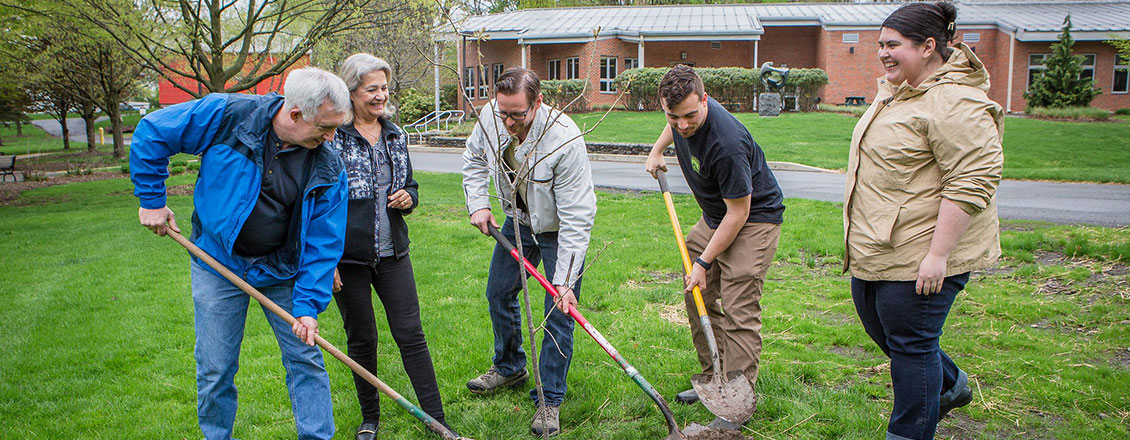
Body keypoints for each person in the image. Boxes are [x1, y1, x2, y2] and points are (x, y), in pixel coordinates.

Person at [130, 67, 351, 440]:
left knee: (306, 358)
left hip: (282, 270)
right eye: (325, 128)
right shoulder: (227, 115)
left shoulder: (327, 165)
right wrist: (152, 200)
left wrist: (308, 307)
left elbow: (322, 242)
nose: (331, 137)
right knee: (216, 368)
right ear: (295, 114)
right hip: (218, 263)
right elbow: (153, 131)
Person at [843, 3, 1004, 439]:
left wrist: (939, 255)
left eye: (893, 45)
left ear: (929, 46)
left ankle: (909, 432)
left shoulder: (955, 101)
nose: (882, 53)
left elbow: (973, 179)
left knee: (911, 348)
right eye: (880, 44)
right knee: (883, 328)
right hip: (883, 243)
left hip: (925, 249)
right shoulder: (899, 89)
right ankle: (950, 385)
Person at [644, 65, 785, 430]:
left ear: (705, 100)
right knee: (696, 294)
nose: (683, 125)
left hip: (754, 219)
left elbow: (739, 214)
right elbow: (675, 126)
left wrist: (705, 262)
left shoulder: (727, 143)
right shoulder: (680, 117)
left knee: (739, 307)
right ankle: (715, 377)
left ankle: (736, 403)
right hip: (714, 216)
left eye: (690, 116)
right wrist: (659, 148)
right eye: (673, 117)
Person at [461, 67, 597, 437]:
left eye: (517, 114)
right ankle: (509, 367)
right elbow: (473, 159)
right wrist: (478, 203)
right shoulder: (491, 117)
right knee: (499, 292)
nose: (507, 122)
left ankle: (550, 399)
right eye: (502, 111)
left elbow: (577, 215)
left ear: (537, 103)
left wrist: (566, 280)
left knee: (558, 310)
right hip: (518, 220)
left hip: (556, 230)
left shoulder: (563, 139)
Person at [330, 53, 449, 440]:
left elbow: (411, 185)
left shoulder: (396, 134)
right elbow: (318, 200)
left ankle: (436, 418)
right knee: (362, 339)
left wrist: (408, 199)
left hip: (393, 253)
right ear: (351, 93)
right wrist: (325, 260)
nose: (381, 96)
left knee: (411, 334)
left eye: (384, 87)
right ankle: (370, 418)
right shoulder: (333, 138)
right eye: (372, 89)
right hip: (348, 258)